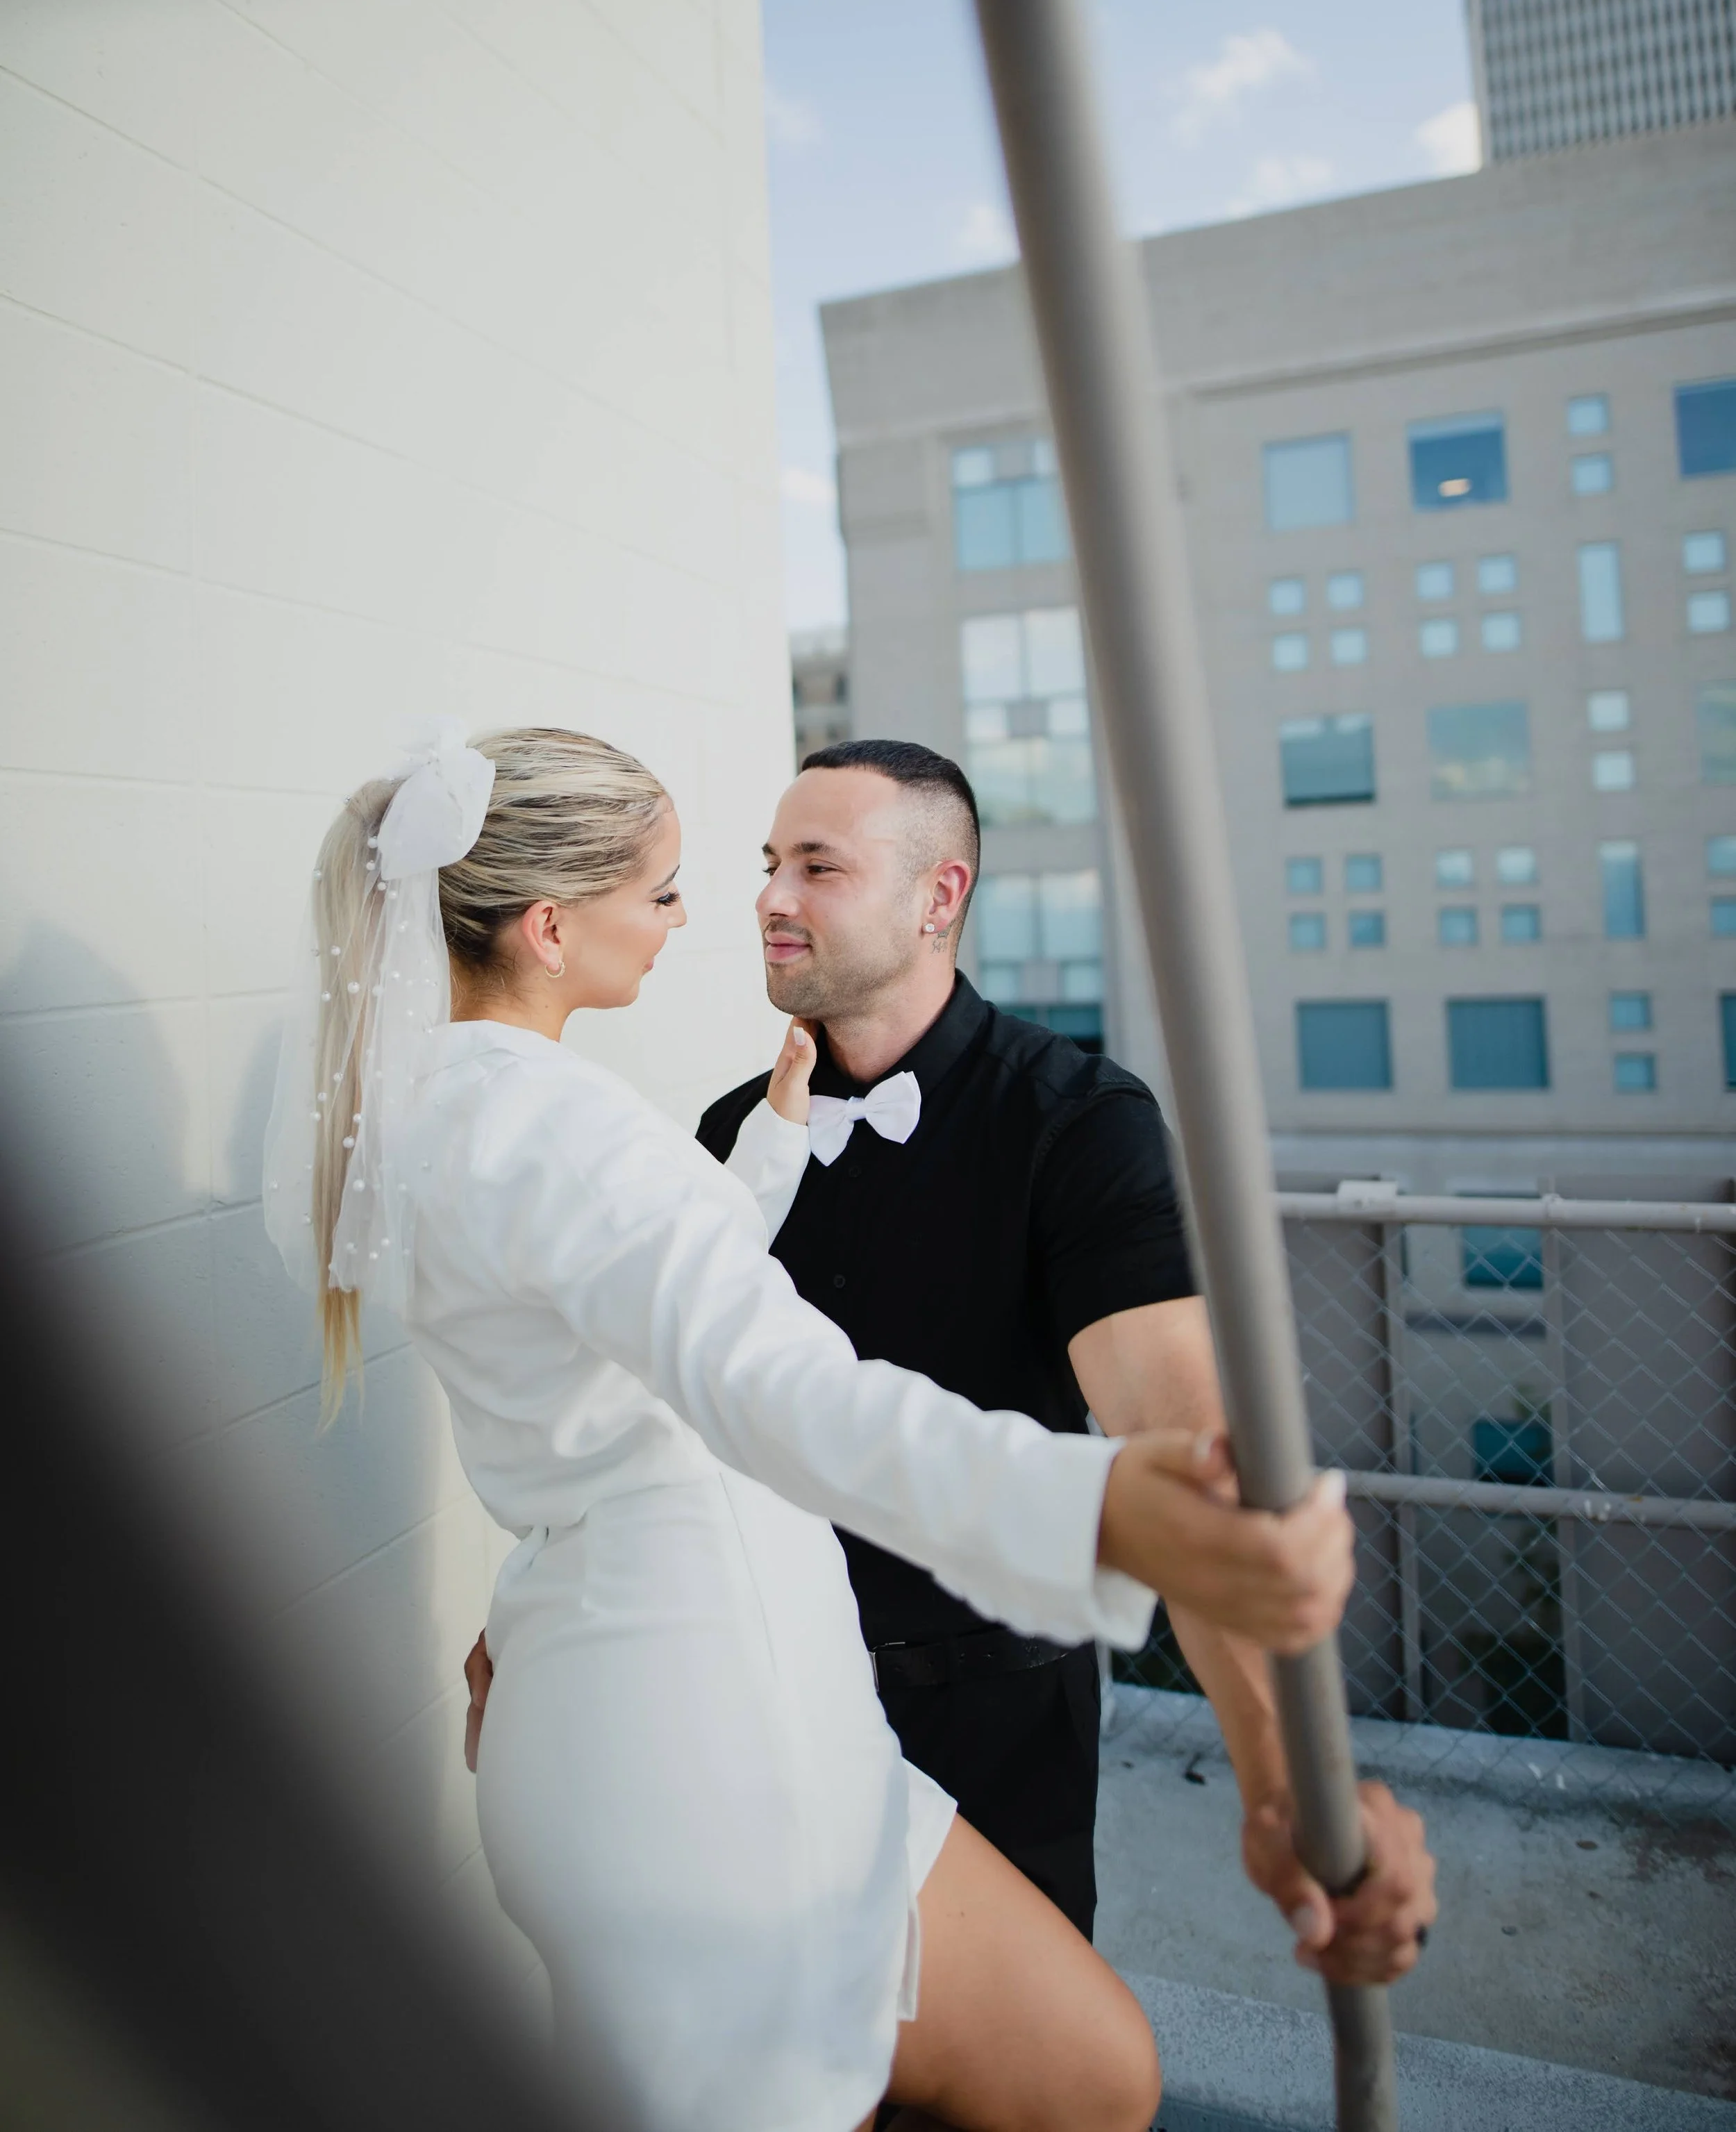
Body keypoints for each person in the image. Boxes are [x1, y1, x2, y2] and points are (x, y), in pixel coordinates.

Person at [265, 724, 1361, 2132]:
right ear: (548, 927)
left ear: (936, 894)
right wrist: (1088, 1504)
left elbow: (622, 1348)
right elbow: (761, 1379)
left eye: (807, 865)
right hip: (711, 1732)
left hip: (766, 1697)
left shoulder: (464, 1120)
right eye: (671, 888)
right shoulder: (567, 1129)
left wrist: (538, 1608)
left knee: (1091, 2071)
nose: (715, 912)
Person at [467, 738, 1435, 1981]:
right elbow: (627, 1418)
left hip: (993, 1728)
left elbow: (1181, 1448)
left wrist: (1281, 1780)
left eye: (818, 865)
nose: (767, 896)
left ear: (941, 898)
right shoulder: (725, 1136)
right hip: (737, 1701)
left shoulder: (1079, 1124)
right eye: (770, 863)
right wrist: (539, 1629)